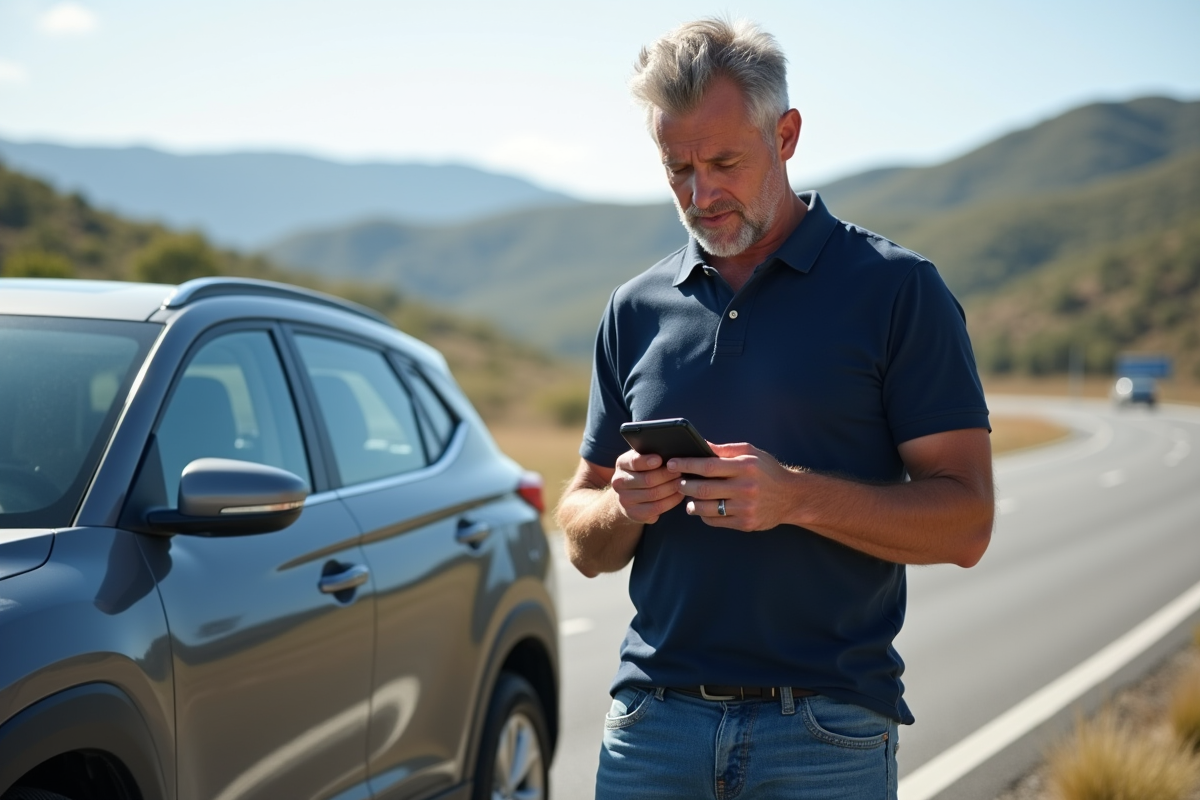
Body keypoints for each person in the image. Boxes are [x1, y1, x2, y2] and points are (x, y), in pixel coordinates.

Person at [554, 16, 995, 800]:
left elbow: (966, 525)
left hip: (825, 736)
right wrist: (624, 508)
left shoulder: (898, 291)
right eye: (677, 167)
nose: (700, 193)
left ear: (785, 134)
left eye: (724, 161)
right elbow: (584, 538)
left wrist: (793, 496)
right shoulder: (634, 309)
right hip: (650, 731)